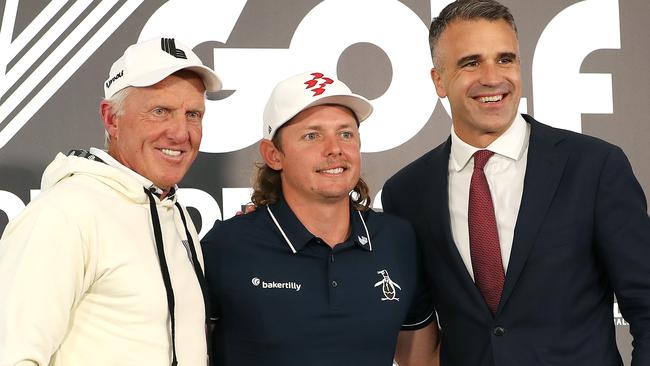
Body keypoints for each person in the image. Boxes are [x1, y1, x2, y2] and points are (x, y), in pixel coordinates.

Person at [382, 1, 650, 365]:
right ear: (439, 80)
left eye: (505, 59)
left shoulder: (595, 166)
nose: (493, 77)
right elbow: (419, 328)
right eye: (471, 62)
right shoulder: (407, 192)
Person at [0, 37, 222, 365]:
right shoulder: (65, 214)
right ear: (111, 119)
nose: (180, 132)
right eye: (160, 111)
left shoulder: (174, 214)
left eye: (193, 114)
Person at [201, 71, 439, 366]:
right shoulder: (226, 246)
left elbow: (422, 359)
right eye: (312, 135)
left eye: (346, 133)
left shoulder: (397, 240)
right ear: (274, 155)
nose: (335, 148)